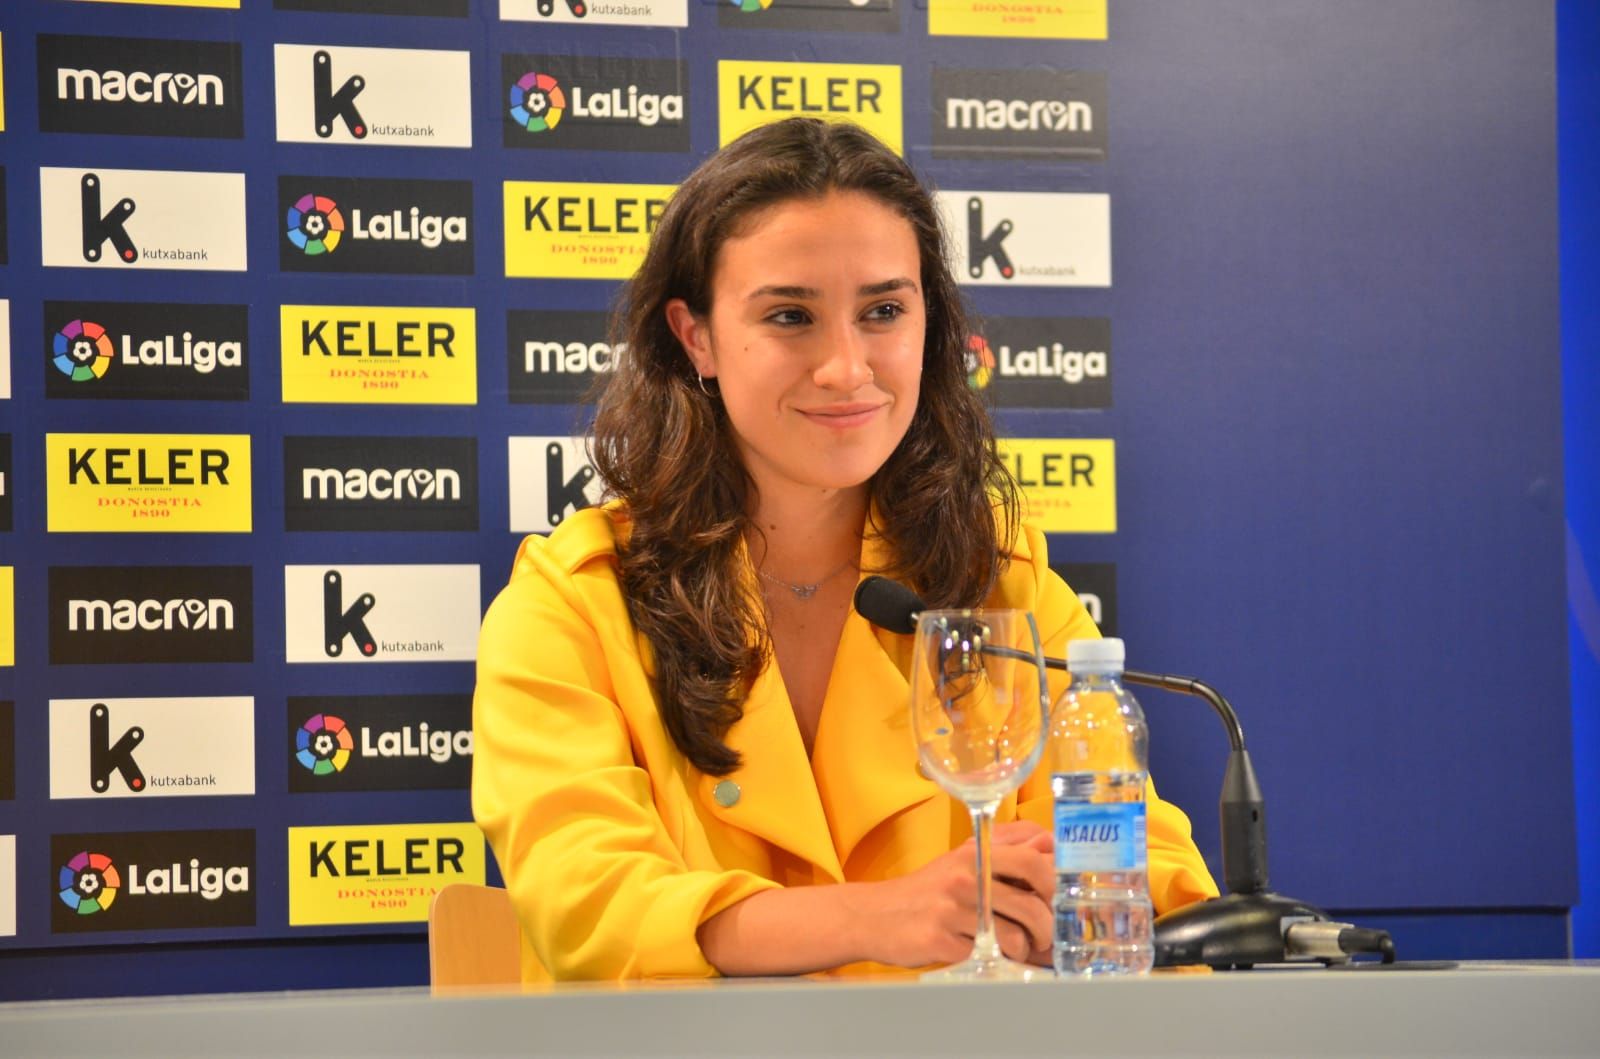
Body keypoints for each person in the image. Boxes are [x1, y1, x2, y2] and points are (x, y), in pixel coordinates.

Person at [473, 117, 1218, 982]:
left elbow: (1154, 886)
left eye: (883, 312)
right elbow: (592, 907)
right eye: (790, 316)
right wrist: (880, 916)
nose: (846, 367)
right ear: (695, 336)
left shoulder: (1004, 587)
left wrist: (1082, 915)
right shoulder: (569, 606)